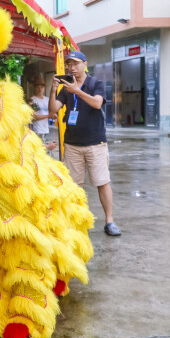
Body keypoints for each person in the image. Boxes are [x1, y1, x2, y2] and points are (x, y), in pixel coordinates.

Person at [49, 50, 121, 236]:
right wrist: (53, 89)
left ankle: (109, 221)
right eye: (69, 64)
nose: (71, 67)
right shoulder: (66, 89)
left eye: (75, 63)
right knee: (74, 185)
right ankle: (76, 221)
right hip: (72, 145)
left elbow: (97, 103)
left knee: (102, 182)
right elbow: (52, 110)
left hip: (95, 143)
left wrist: (77, 92)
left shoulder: (95, 83)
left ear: (84, 64)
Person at [29, 77, 57, 155]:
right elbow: (34, 117)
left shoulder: (47, 100)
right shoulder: (32, 100)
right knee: (39, 153)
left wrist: (54, 116)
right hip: (38, 131)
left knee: (49, 154)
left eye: (42, 86)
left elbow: (53, 113)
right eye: (38, 86)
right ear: (35, 87)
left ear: (44, 88)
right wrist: (48, 116)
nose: (40, 88)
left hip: (48, 130)